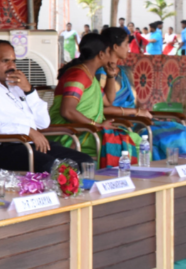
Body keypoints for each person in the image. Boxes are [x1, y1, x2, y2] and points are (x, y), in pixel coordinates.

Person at [0, 40, 92, 172]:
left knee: (84, 162)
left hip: (30, 145)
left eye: (13, 61)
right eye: (5, 61)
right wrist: (27, 130)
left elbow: (43, 123)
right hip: (2, 149)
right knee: (53, 167)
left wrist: (29, 91)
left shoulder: (15, 86)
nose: (11, 66)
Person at [99, 26, 186, 160]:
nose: (128, 47)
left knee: (185, 132)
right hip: (122, 125)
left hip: (138, 120)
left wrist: (144, 115)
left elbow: (136, 103)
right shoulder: (101, 74)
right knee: (168, 139)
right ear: (115, 47)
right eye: (126, 44)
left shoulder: (126, 71)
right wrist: (137, 113)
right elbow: (101, 109)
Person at [49, 33, 139, 168]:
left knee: (134, 140)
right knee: (132, 143)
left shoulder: (89, 76)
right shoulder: (78, 74)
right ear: (101, 54)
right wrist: (97, 125)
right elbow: (67, 111)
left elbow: (108, 101)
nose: (111, 55)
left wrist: (110, 76)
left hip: (86, 130)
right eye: (109, 51)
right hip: (70, 133)